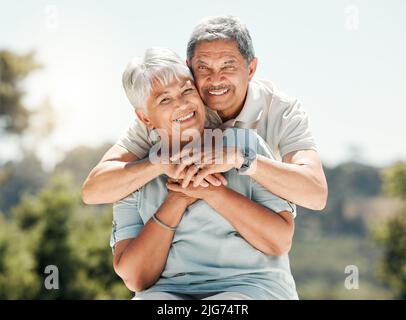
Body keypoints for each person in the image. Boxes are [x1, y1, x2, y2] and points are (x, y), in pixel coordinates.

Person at [82, 15, 328, 211]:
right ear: (189, 68)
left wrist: (242, 158)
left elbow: (315, 195)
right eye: (203, 67)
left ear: (251, 68)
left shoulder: (282, 110)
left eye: (228, 66)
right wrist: (158, 163)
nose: (215, 79)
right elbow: (94, 190)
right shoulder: (178, 107)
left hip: (256, 242)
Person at [111, 47, 298, 300]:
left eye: (187, 90)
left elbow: (279, 241)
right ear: (145, 118)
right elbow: (135, 277)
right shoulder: (134, 173)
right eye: (164, 99)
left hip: (250, 289)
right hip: (167, 293)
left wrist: (212, 191)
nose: (182, 104)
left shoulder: (244, 145)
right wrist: (176, 200)